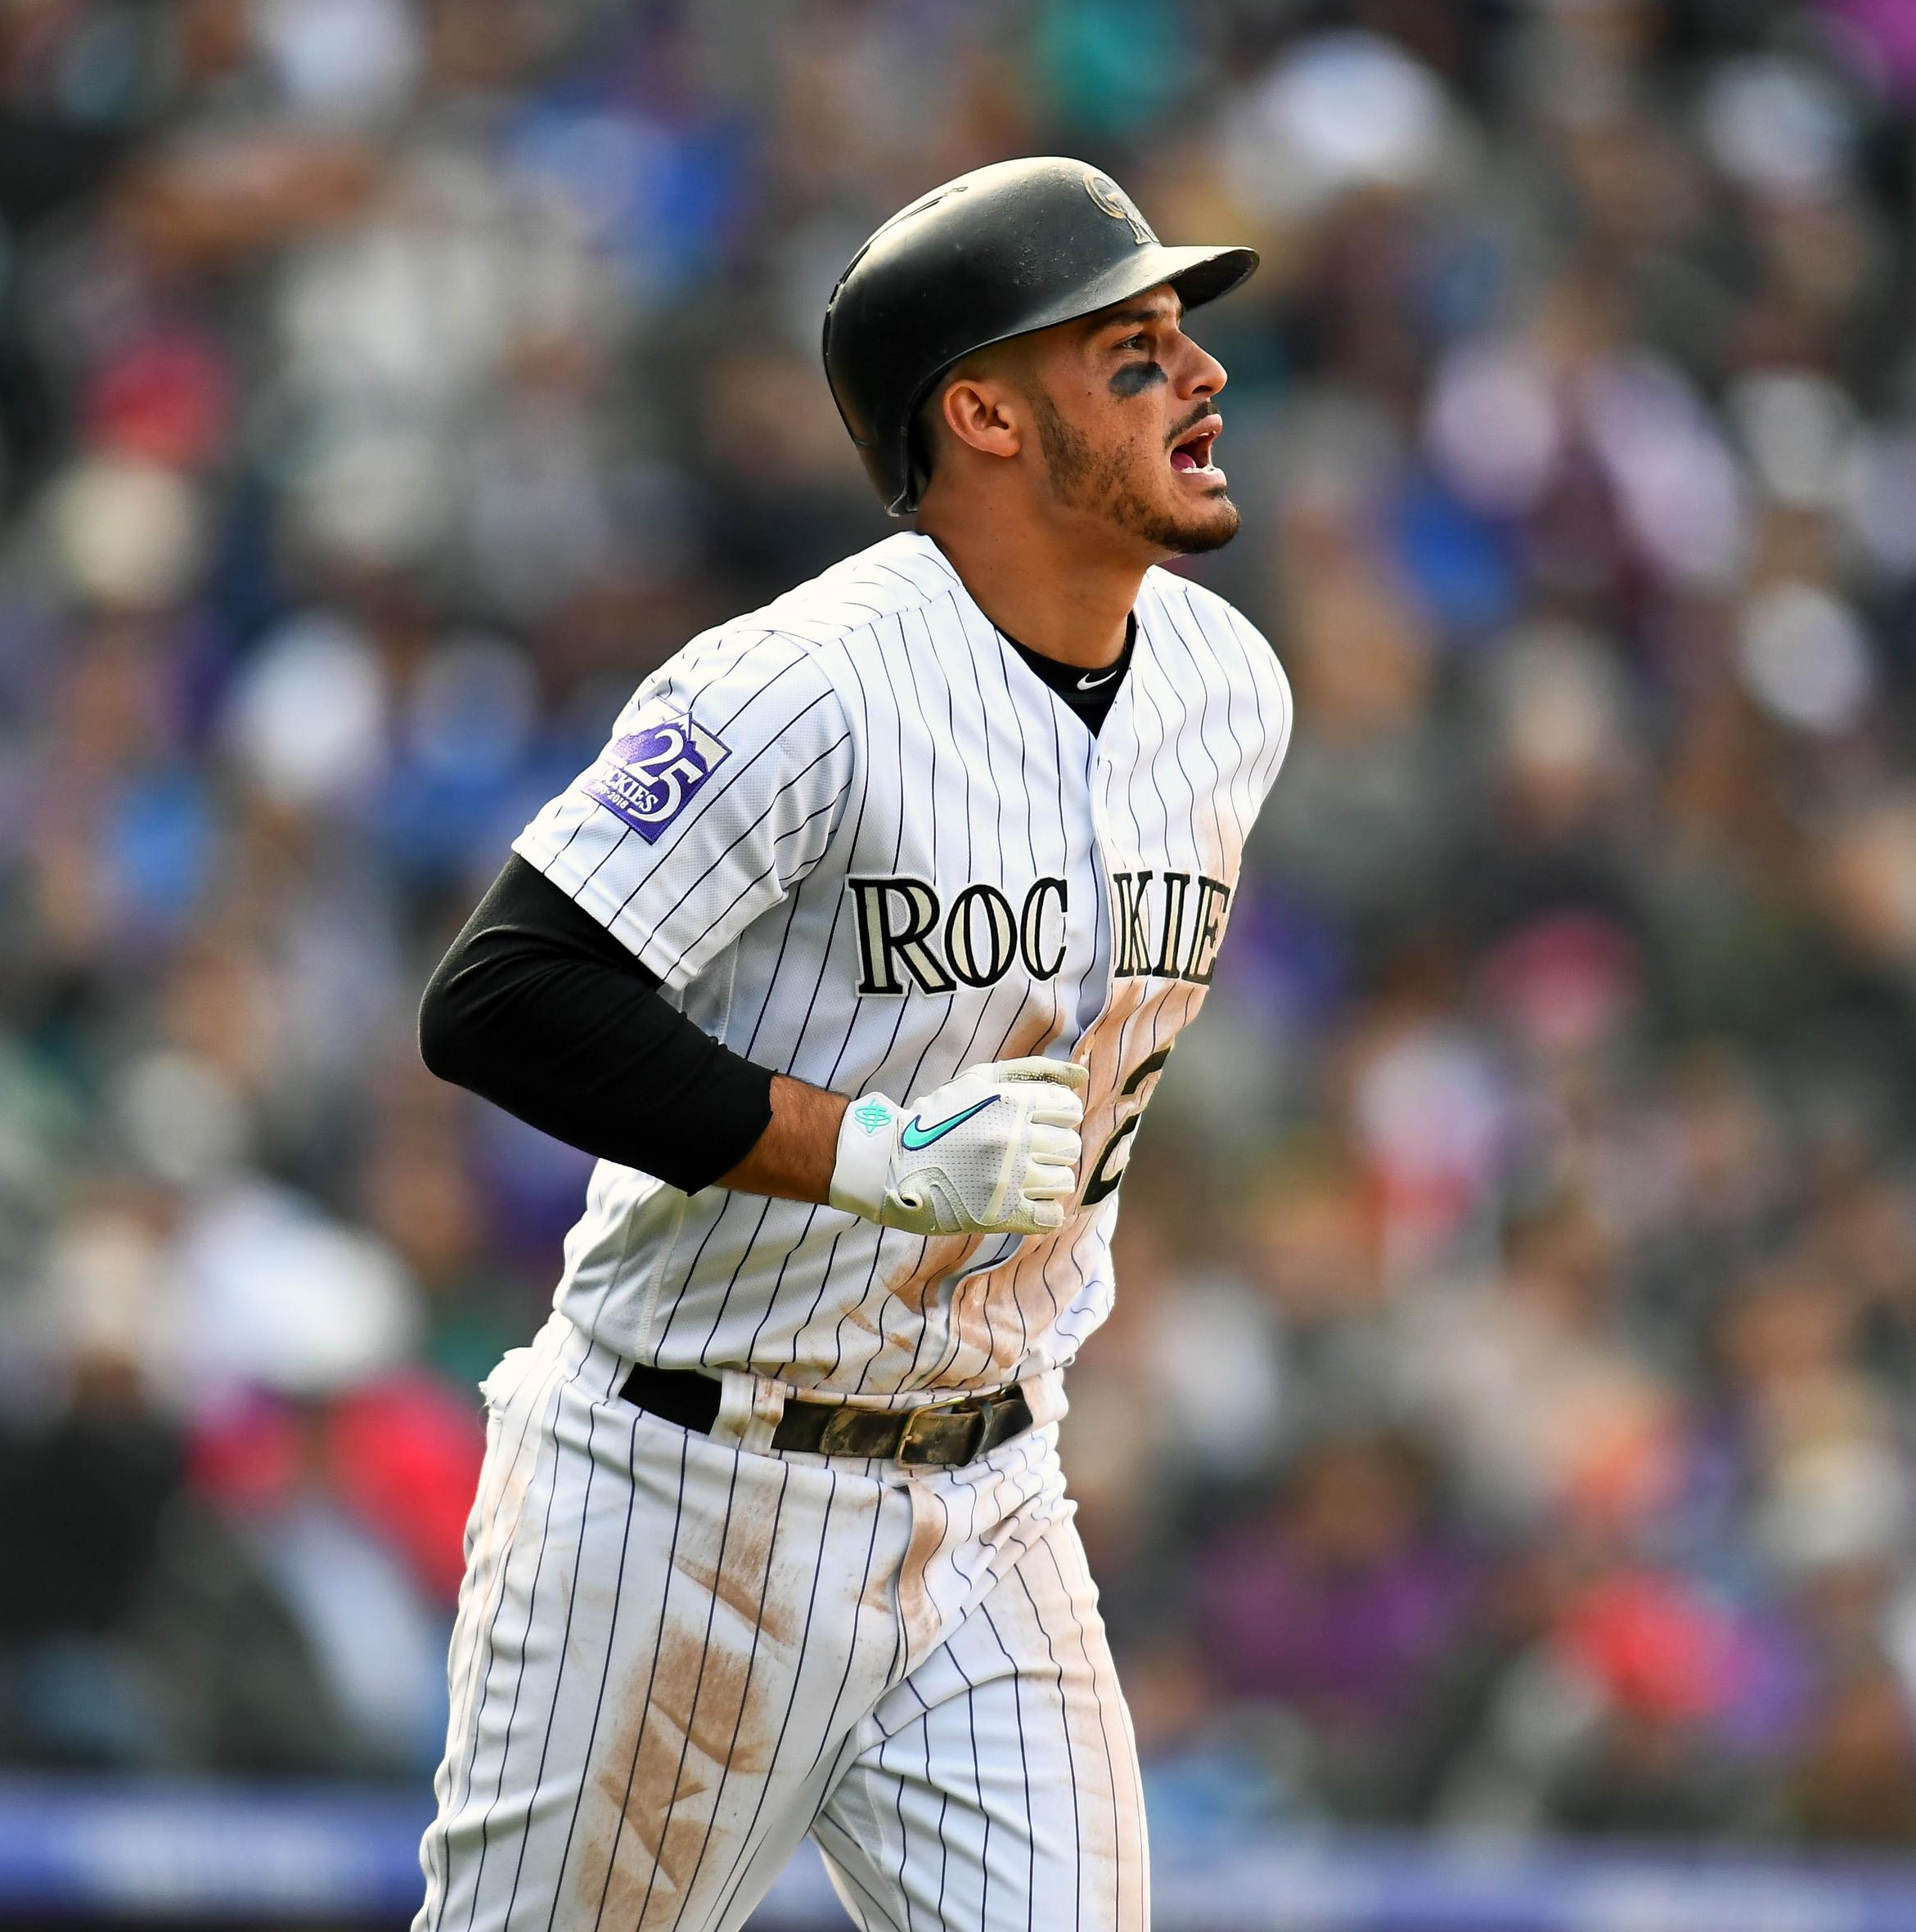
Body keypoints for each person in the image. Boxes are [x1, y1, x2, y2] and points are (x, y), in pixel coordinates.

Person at [410, 158, 1290, 1932]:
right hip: (681, 1489)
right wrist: (866, 1152)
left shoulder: (1227, 688)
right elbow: (498, 997)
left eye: (1183, 341)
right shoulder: (803, 682)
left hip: (990, 1494)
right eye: (1131, 353)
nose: (1199, 377)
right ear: (980, 411)